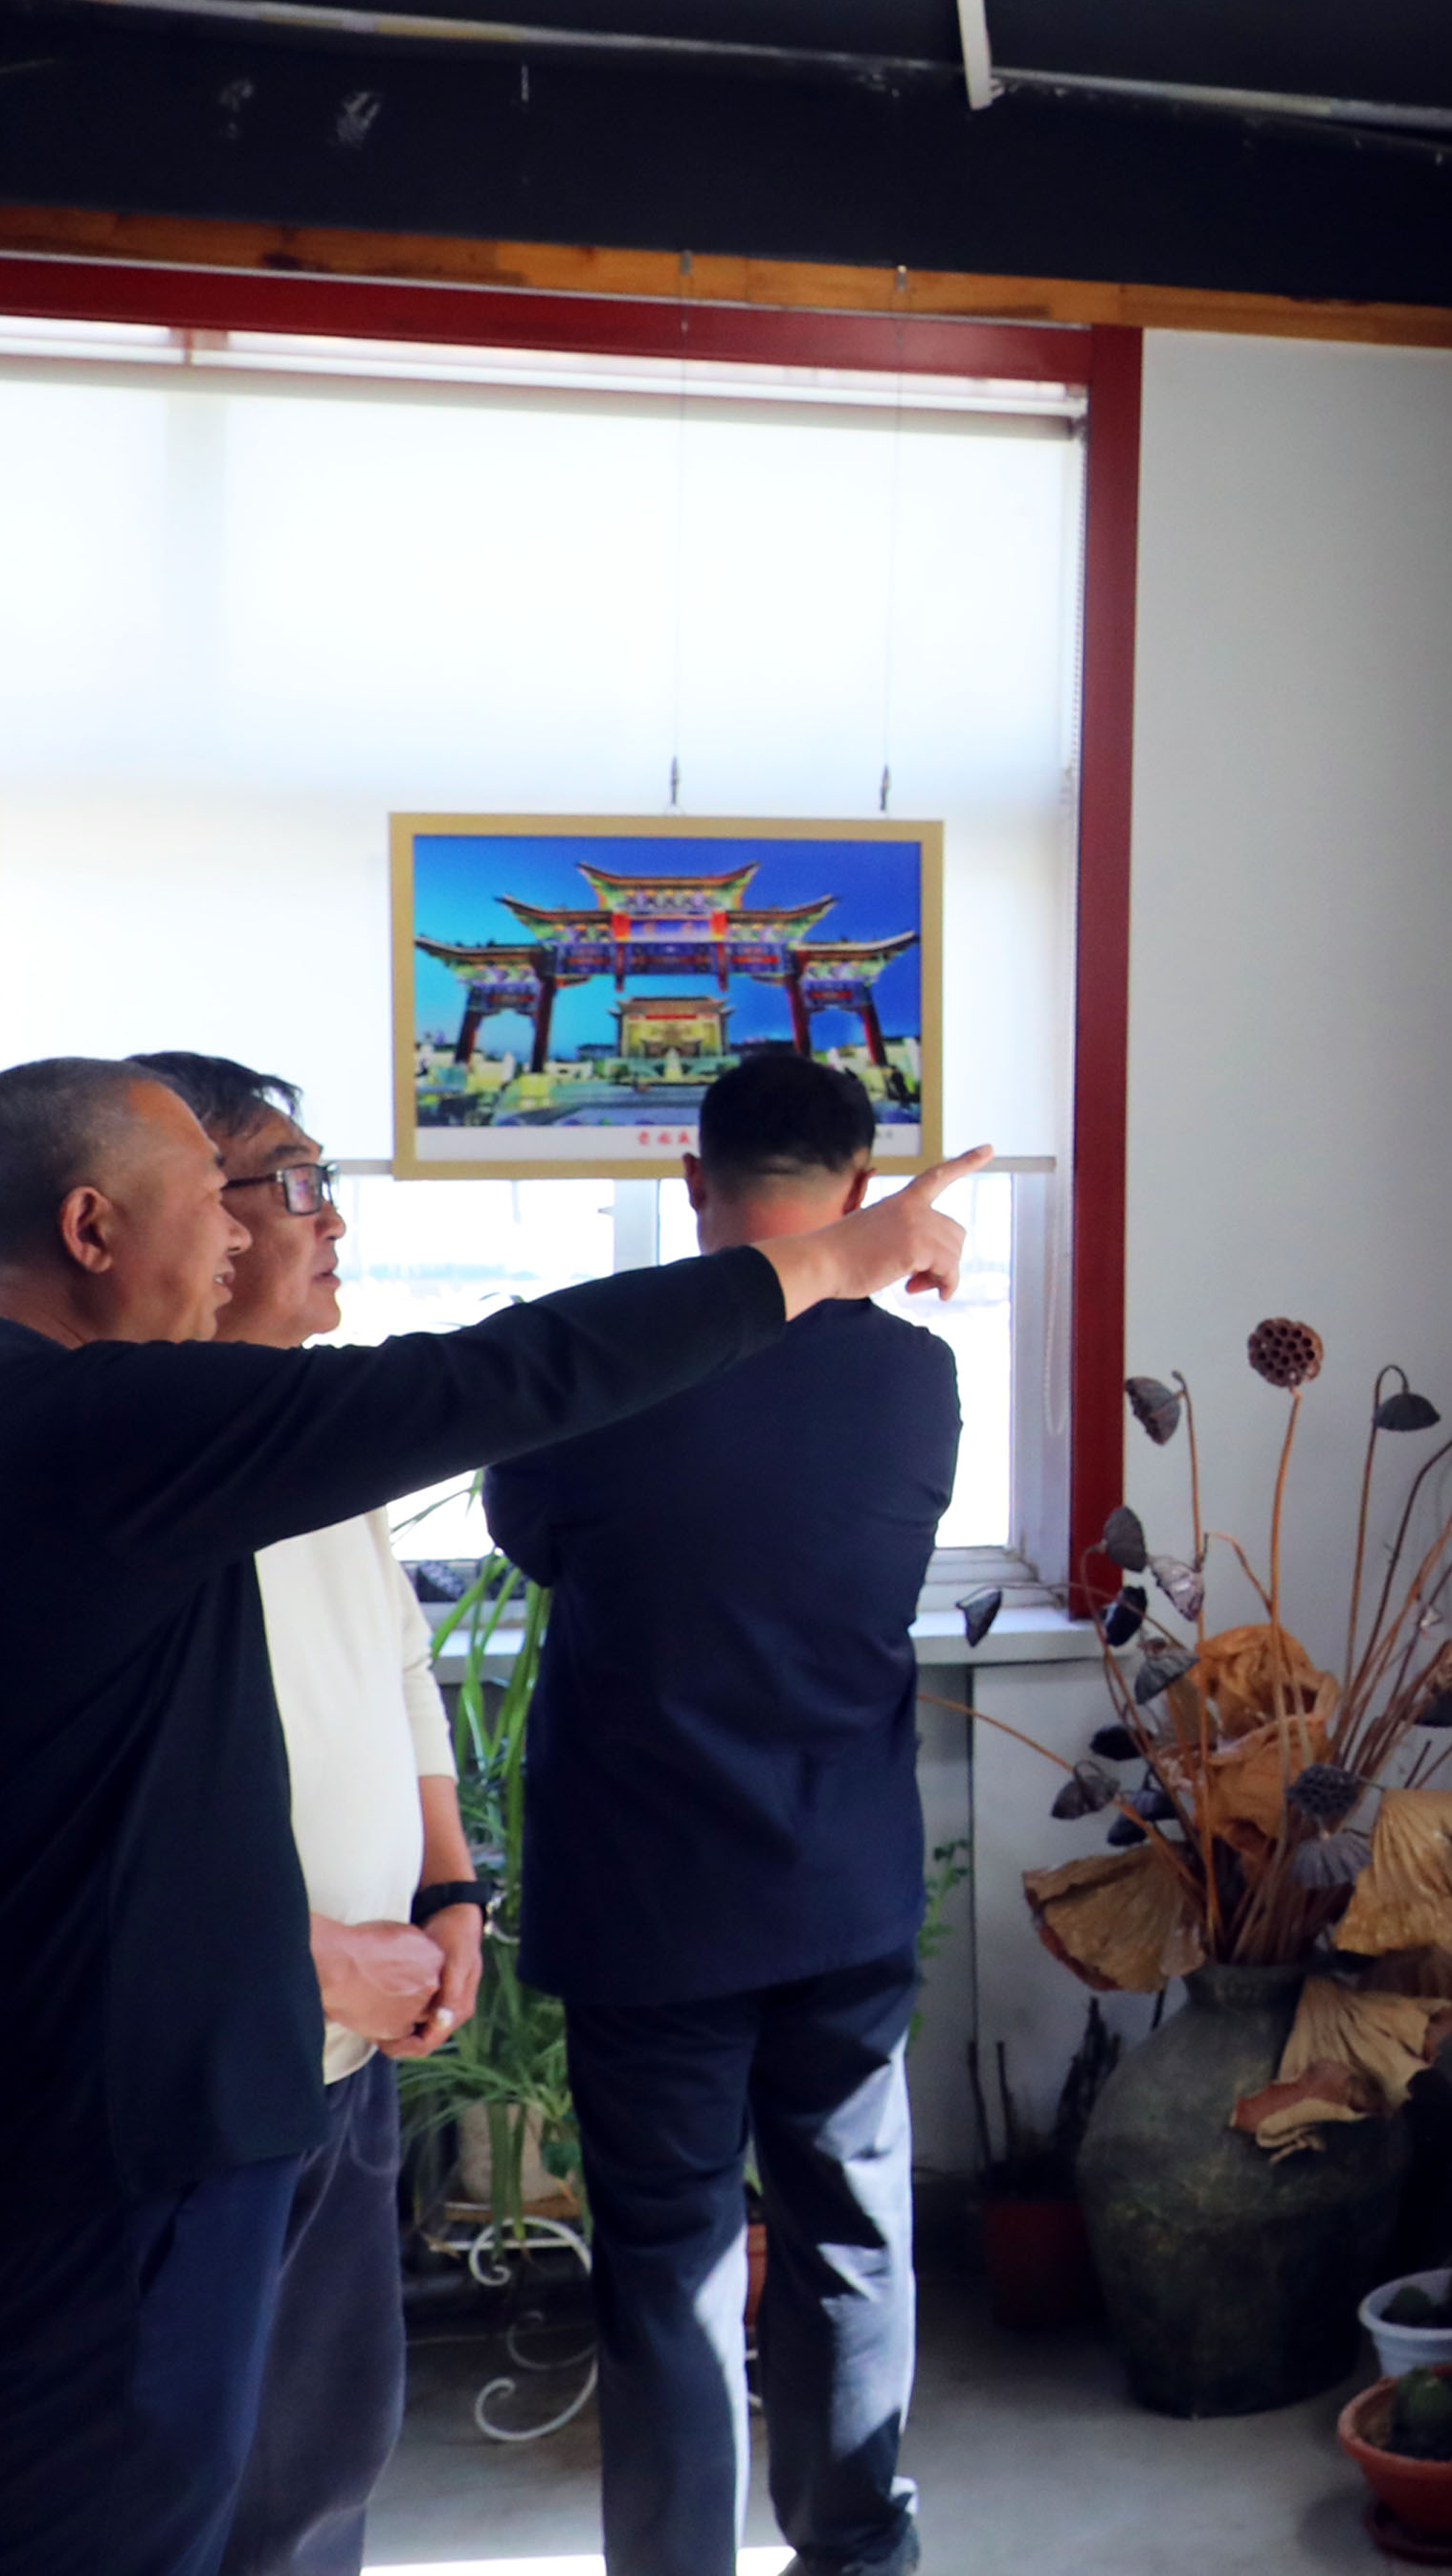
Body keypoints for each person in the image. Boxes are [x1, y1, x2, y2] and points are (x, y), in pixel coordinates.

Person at [0, 1055, 985, 2576]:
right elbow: (500, 1377)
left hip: (219, 2075)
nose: (250, 1236)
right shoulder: (98, 1428)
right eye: (230, 1202)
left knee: (329, 2457)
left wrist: (438, 1890)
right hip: (106, 2159)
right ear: (89, 1227)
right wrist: (844, 1263)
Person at [485, 1053, 962, 2576]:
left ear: (692, 1181)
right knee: (852, 2237)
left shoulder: (591, 1359)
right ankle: (858, 2553)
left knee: (670, 2264)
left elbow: (538, 1541)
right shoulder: (913, 1377)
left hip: (645, 1897)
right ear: (863, 1191)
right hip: (840, 1882)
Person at [126, 1053, 480, 2576]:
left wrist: (453, 1895)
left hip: (353, 2050)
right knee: (189, 2482)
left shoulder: (318, 1431)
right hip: (214, 2054)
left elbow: (398, 1663)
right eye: (296, 1184)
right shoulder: (133, 1460)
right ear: (182, 1217)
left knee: (328, 2453)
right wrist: (317, 1959)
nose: (332, 1220)